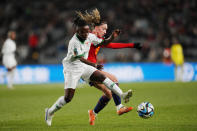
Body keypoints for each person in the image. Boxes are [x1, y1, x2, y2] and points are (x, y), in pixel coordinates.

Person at [45, 13, 132, 126]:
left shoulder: (89, 36)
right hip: (72, 69)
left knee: (102, 77)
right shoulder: (73, 43)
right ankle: (50, 112)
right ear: (77, 32)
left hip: (84, 66)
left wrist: (112, 37)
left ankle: (122, 95)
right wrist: (94, 65)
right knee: (68, 98)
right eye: (83, 32)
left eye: (87, 31)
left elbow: (104, 42)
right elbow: (80, 58)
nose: (86, 34)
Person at [79, 9, 142, 125]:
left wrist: (131, 45)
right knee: (113, 79)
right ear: (96, 28)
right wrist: (132, 45)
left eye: (106, 29)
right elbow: (111, 45)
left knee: (108, 94)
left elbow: (111, 44)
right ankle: (119, 107)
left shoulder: (97, 39)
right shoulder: (90, 37)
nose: (105, 31)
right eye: (103, 29)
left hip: (88, 70)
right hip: (88, 69)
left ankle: (93, 113)